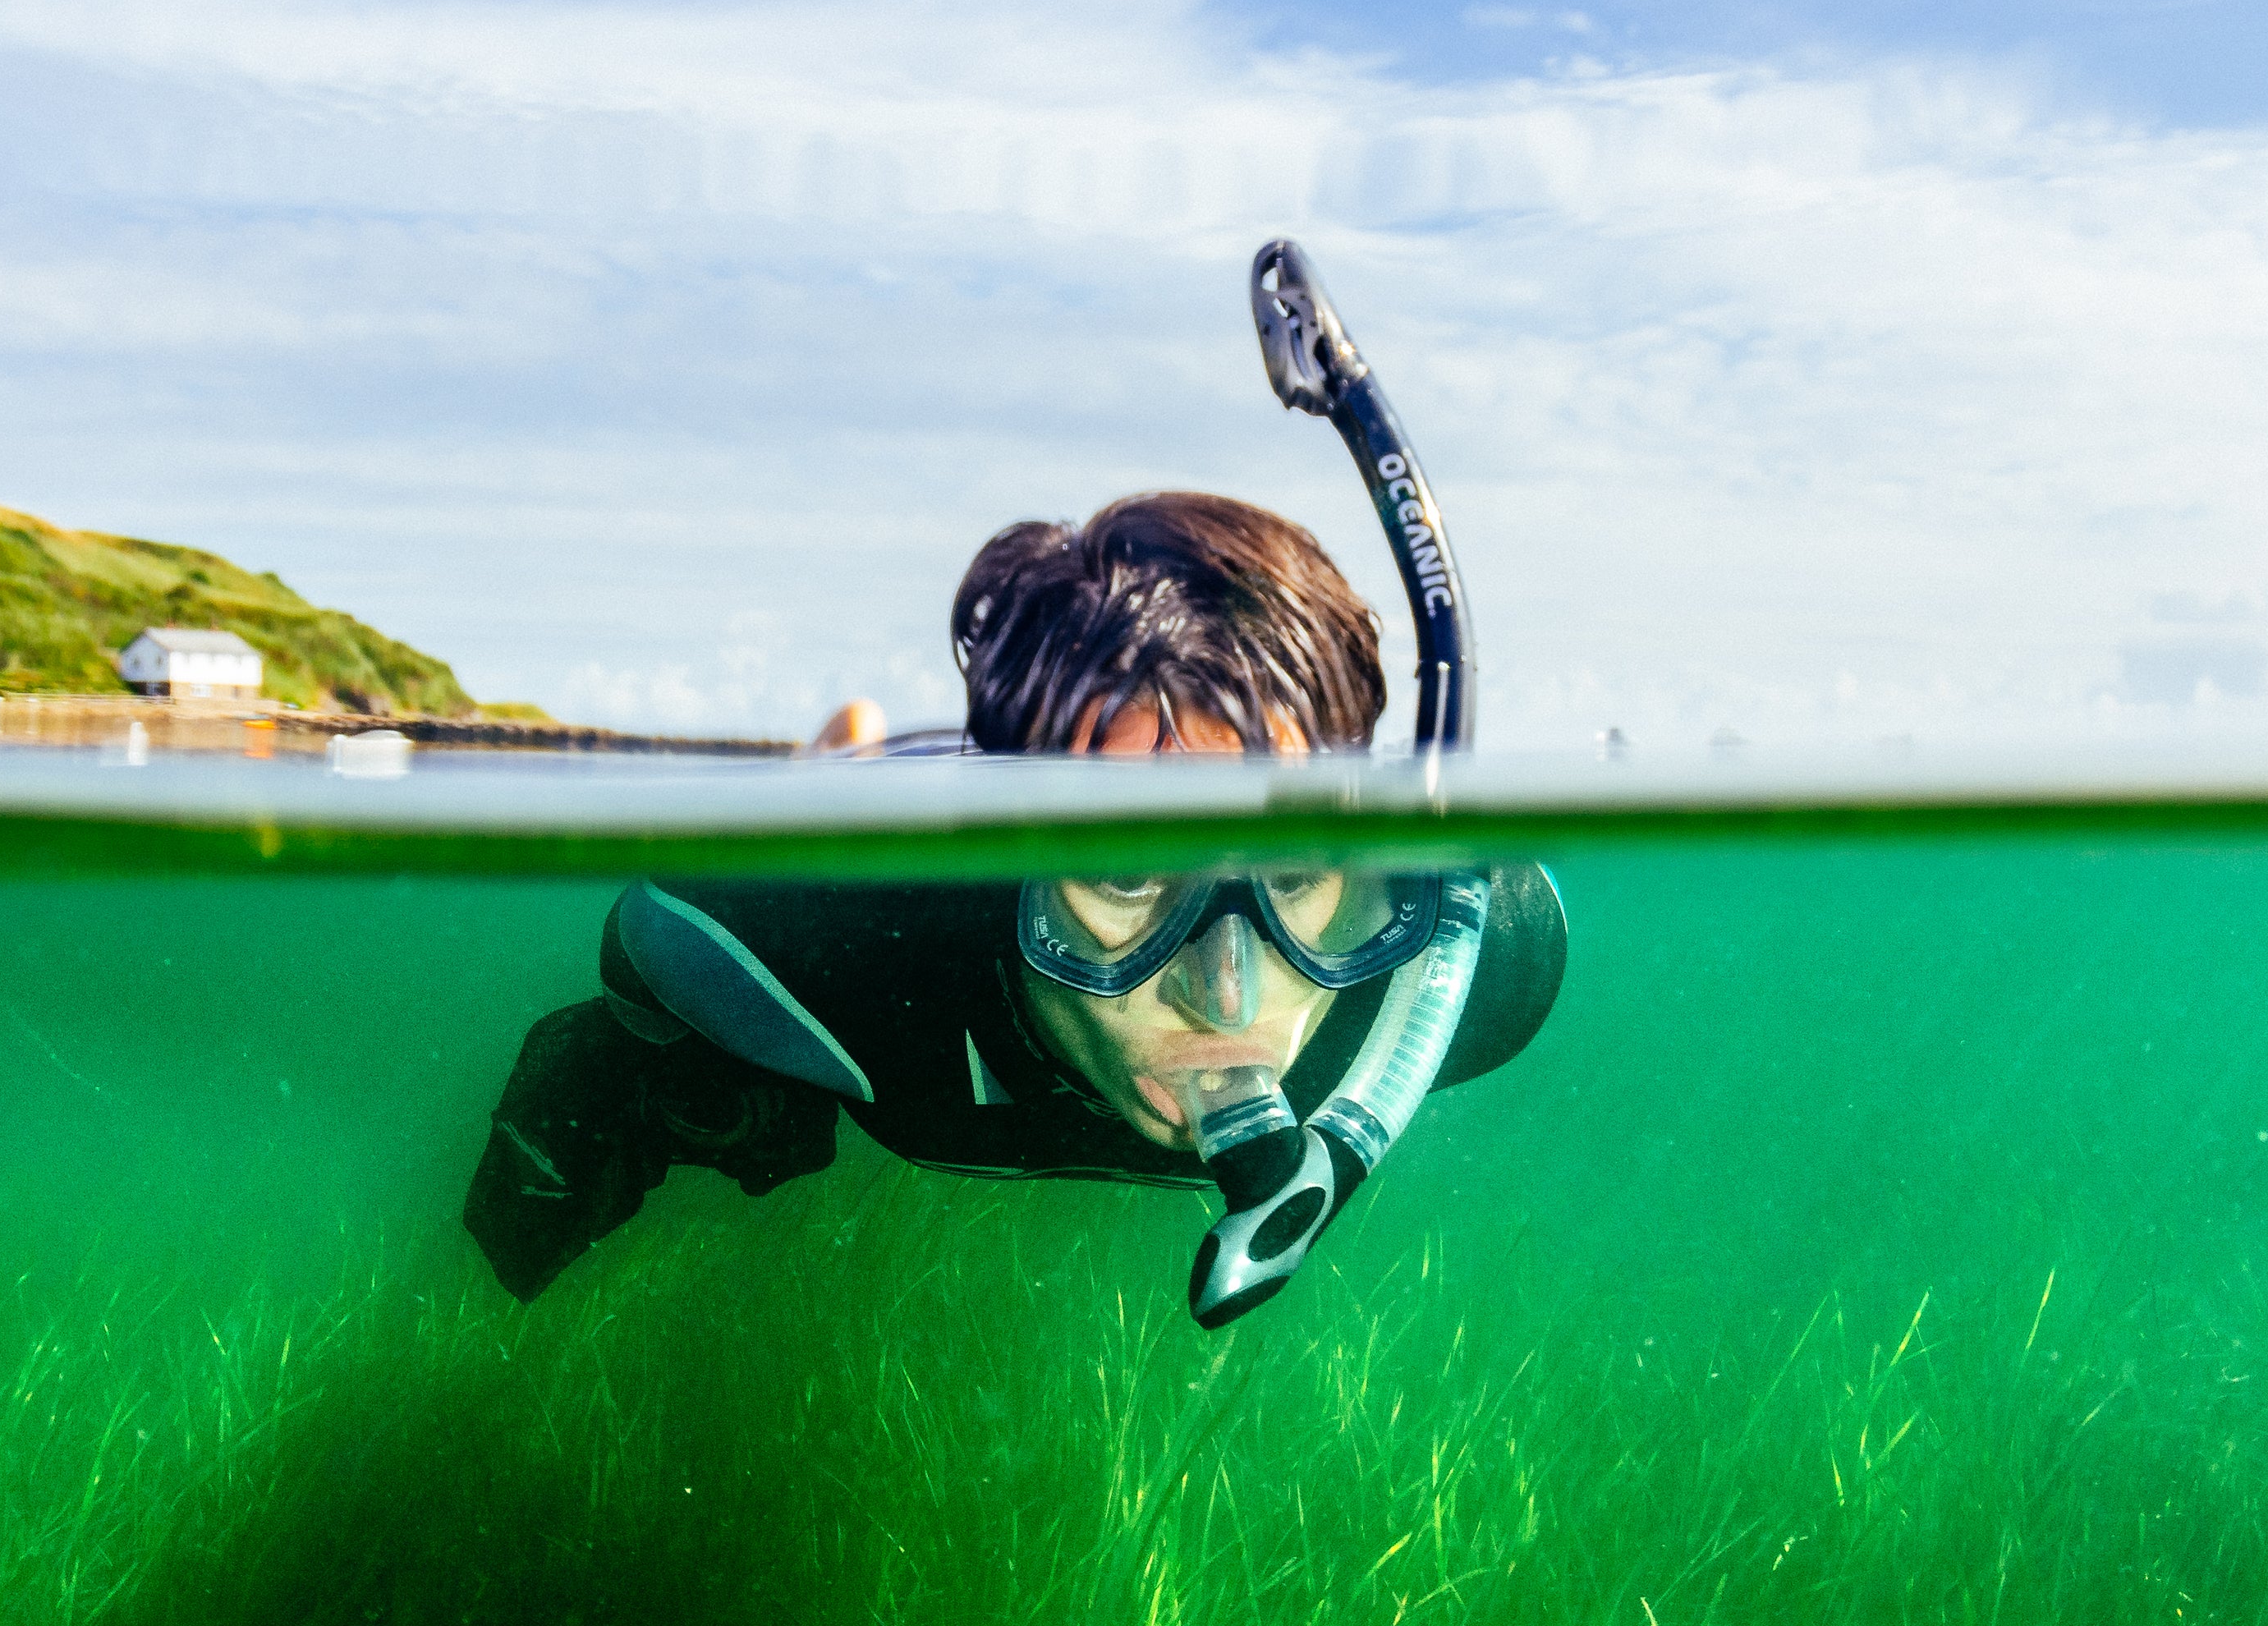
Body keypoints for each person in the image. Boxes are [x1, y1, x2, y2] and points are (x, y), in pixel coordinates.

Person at [459, 490, 1566, 1304]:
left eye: (1291, 871)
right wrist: (686, 1064)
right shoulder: (825, 937)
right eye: (1130, 871)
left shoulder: (1482, 968)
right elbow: (647, 947)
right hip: (822, 1039)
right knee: (685, 1114)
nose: (1227, 993)